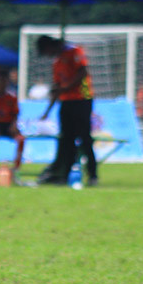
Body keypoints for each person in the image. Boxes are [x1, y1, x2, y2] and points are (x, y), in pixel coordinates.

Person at [36, 35, 98, 186]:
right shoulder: (56, 62)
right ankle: (64, 175)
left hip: (82, 100)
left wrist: (67, 86)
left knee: (85, 138)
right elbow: (58, 87)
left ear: (49, 46)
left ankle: (92, 175)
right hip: (66, 102)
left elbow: (83, 72)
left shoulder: (74, 51)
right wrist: (47, 111)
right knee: (66, 140)